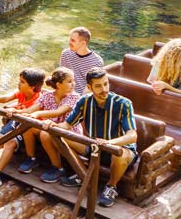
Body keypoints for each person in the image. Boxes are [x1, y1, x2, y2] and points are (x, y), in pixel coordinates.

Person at [54, 67, 137, 207]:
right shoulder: (84, 102)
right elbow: (66, 126)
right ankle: (84, 176)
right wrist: (51, 125)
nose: (104, 89)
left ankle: (111, 187)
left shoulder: (124, 104)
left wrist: (110, 143)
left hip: (119, 149)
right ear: (89, 87)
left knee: (119, 154)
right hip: (95, 147)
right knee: (57, 136)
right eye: (98, 86)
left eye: (106, 84)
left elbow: (132, 136)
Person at [10, 67, 82, 183]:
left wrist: (38, 113)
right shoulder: (47, 96)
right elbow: (30, 110)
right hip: (50, 128)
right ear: (58, 85)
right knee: (28, 125)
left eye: (73, 81)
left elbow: (59, 112)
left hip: (69, 132)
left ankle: (58, 167)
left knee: (45, 133)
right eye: (70, 81)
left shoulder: (75, 97)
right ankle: (31, 158)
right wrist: (17, 111)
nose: (73, 84)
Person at [60, 27, 103, 94]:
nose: (69, 42)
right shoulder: (66, 54)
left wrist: (79, 100)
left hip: (83, 97)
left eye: (73, 40)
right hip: (66, 93)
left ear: (83, 43)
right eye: (70, 39)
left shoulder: (96, 61)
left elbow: (92, 86)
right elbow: (61, 76)